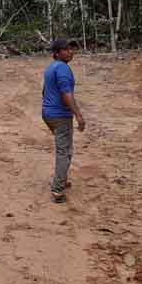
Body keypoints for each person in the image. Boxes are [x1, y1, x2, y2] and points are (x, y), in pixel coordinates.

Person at [42, 38, 85, 204]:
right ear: (57, 53)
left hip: (49, 114)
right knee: (65, 152)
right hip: (60, 116)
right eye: (66, 50)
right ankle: (58, 189)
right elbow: (66, 95)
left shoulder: (51, 68)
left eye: (71, 49)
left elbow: (45, 91)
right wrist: (78, 115)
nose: (71, 52)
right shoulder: (63, 69)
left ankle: (61, 178)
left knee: (64, 148)